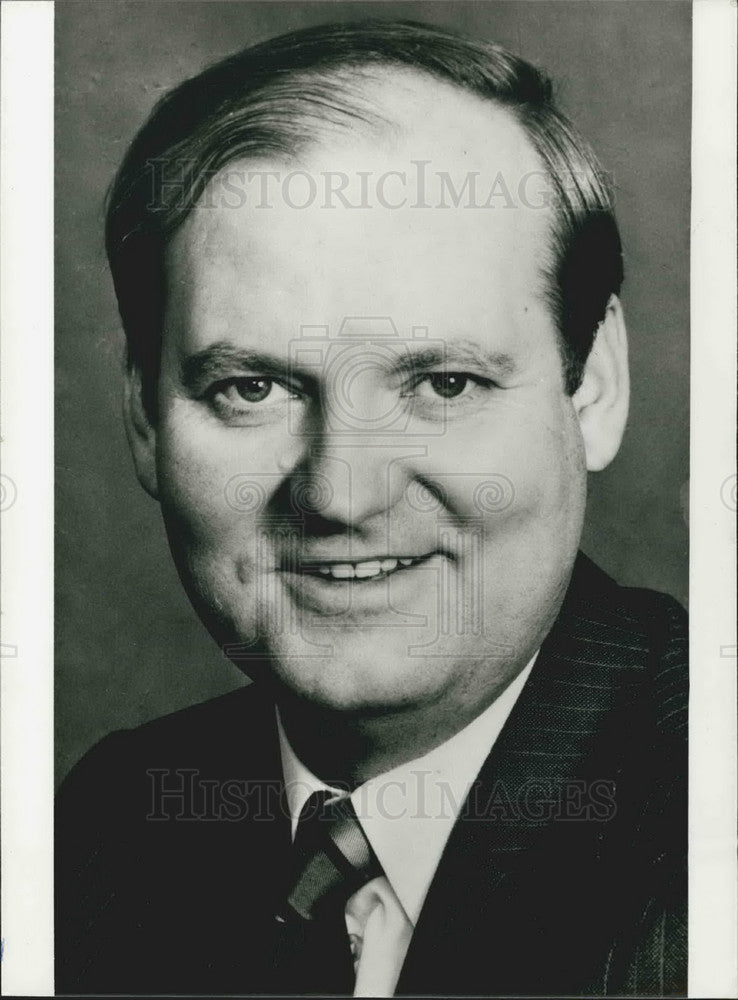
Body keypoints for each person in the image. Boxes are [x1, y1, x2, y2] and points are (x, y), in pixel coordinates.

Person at [55, 19, 687, 997]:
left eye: (442, 384)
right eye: (253, 388)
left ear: (593, 383)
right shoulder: (110, 825)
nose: (343, 493)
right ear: (143, 416)